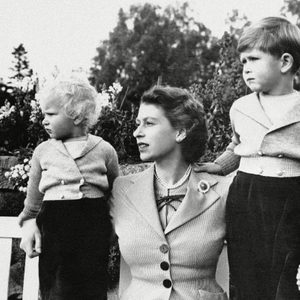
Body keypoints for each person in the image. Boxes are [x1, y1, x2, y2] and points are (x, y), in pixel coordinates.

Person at [196, 17, 300, 299]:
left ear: (285, 62)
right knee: (245, 270)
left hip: (290, 196)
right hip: (247, 193)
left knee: (285, 272)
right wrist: (218, 166)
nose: (246, 68)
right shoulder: (240, 107)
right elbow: (236, 145)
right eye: (243, 62)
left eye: (253, 59)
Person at [110, 85, 232, 300]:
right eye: (138, 123)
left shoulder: (221, 191)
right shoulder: (122, 190)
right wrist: (32, 218)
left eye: (149, 123)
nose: (136, 132)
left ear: (180, 131)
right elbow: (83, 241)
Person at [18, 77, 119, 300]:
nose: (44, 121)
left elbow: (117, 193)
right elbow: (33, 202)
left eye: (51, 114)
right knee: (57, 289)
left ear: (76, 114)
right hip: (54, 229)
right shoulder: (42, 152)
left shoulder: (104, 150)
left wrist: (112, 225)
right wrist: (27, 226)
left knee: (91, 288)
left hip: (93, 229)